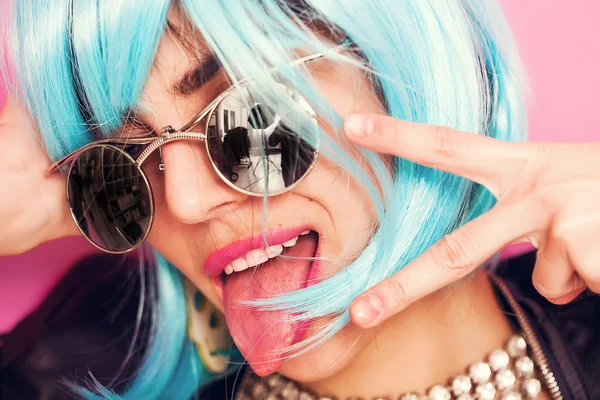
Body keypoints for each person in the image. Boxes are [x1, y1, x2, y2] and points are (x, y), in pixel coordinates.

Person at [0, 1, 599, 400]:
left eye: (251, 114)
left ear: (401, 69)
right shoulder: (65, 367)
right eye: (124, 161)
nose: (182, 200)